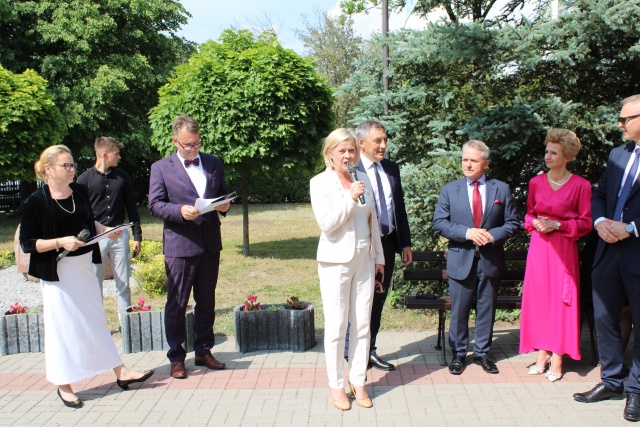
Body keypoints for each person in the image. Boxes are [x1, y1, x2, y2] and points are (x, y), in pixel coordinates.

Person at [19, 145, 153, 409]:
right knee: (62, 327)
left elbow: (90, 223)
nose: (72, 169)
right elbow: (28, 243)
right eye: (66, 165)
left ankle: (121, 372)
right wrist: (60, 242)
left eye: (72, 165)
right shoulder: (35, 201)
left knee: (95, 320)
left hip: (83, 267)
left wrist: (106, 229)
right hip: (58, 272)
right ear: (49, 169)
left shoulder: (79, 191)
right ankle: (64, 385)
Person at [148, 115, 230, 379]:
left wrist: (225, 205)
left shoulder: (213, 162)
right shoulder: (161, 167)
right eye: (187, 145)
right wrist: (179, 211)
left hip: (209, 243)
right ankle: (176, 356)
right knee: (178, 303)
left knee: (206, 300)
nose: (193, 149)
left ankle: (204, 350)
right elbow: (154, 204)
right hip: (180, 244)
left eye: (196, 143)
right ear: (175, 141)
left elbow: (222, 193)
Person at [574, 94, 640, 422]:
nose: (620, 124)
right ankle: (612, 380)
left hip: (636, 248)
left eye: (625, 119)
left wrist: (631, 228)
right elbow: (600, 193)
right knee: (603, 317)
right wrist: (600, 222)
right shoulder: (618, 154)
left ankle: (637, 389)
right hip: (608, 250)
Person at [310, 128, 385, 411]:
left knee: (362, 324)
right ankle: (336, 384)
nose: (348, 155)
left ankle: (358, 380)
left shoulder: (362, 178)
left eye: (352, 150)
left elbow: (373, 220)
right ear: (329, 153)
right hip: (335, 262)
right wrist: (349, 197)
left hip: (365, 259)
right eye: (341, 150)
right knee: (337, 325)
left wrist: (379, 257)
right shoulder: (320, 182)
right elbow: (327, 224)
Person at [432, 140, 519, 375]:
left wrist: (492, 236)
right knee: (459, 310)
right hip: (461, 260)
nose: (467, 165)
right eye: (464, 160)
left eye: (473, 160)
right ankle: (458, 354)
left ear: (486, 164)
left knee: (486, 309)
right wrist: (467, 233)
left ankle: (482, 353)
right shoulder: (450, 190)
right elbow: (439, 223)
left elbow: (513, 223)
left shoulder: (501, 189)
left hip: (490, 260)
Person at [519, 129, 592, 382]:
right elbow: (529, 214)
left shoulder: (581, 185)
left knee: (562, 301)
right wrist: (534, 222)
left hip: (563, 249)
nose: (547, 156)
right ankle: (542, 352)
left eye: (554, 153)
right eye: (546, 151)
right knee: (540, 300)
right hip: (539, 248)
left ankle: (558, 355)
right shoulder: (535, 182)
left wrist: (558, 225)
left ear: (567, 157)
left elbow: (586, 223)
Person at [351, 120, 412, 371]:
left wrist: (405, 243)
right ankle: (352, 353)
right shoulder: (352, 170)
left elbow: (399, 207)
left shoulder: (391, 168)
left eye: (385, 140)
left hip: (386, 245)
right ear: (362, 143)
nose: (383, 145)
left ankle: (369, 351)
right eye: (378, 140)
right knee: (358, 301)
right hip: (361, 247)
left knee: (378, 298)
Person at [76, 137, 142, 322]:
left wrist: (137, 235)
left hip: (120, 234)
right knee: (94, 283)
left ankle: (126, 325)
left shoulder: (122, 177)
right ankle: (97, 324)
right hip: (96, 237)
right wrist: (101, 229)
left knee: (124, 283)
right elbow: (82, 213)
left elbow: (132, 207)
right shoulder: (84, 180)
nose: (119, 157)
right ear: (104, 154)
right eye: (116, 153)